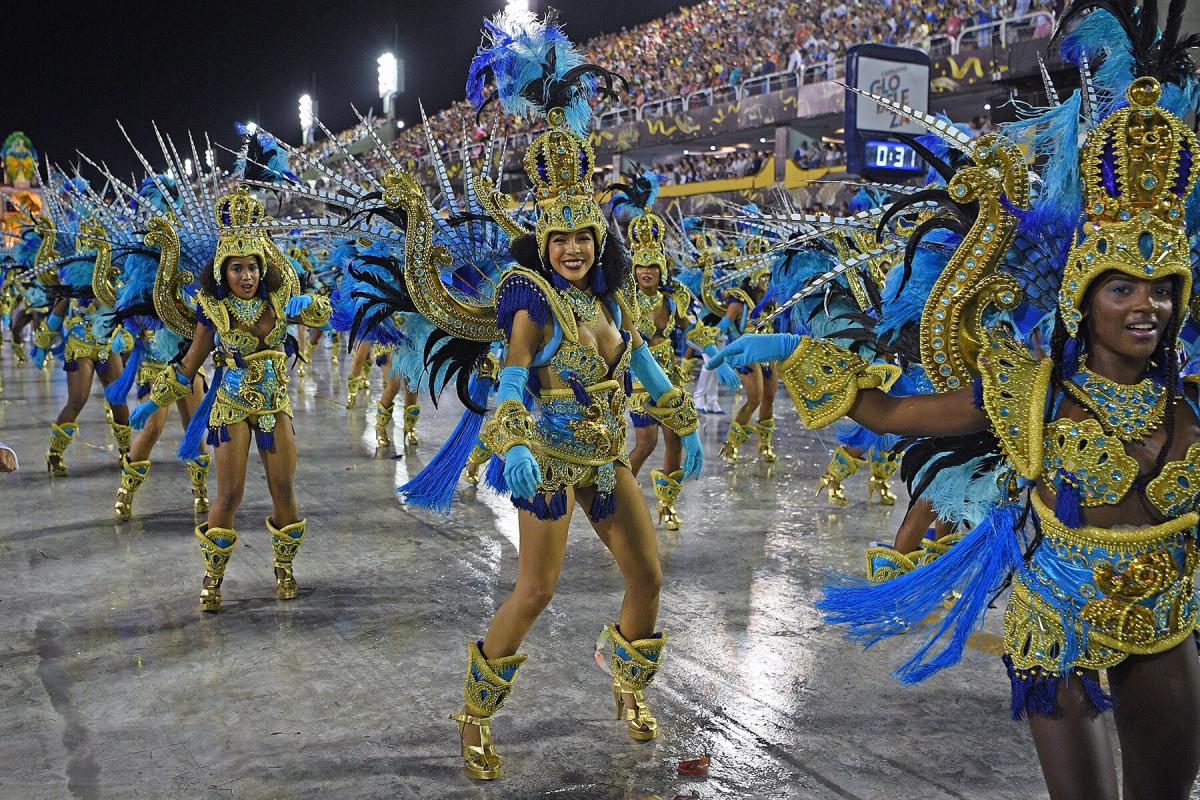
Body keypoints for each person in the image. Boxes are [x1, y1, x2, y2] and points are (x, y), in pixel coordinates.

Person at [711, 4, 1200, 795]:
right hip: (1059, 628)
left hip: (1168, 626)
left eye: (1160, 288)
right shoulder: (1031, 390)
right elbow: (892, 414)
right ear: (1083, 296)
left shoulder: (1193, 400)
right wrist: (788, 348)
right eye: (1122, 286)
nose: (1144, 305)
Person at [131, 184, 331, 612]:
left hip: (274, 405)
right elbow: (190, 363)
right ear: (224, 271)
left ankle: (284, 567)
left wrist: (315, 307)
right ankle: (214, 575)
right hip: (232, 407)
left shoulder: (281, 299)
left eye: (252, 267)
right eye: (237, 268)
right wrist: (154, 401)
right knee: (229, 495)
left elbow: (321, 313)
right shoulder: (213, 309)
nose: (246, 276)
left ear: (263, 267)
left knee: (283, 489)